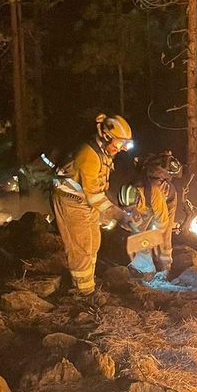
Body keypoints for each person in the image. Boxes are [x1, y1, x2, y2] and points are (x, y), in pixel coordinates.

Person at [52, 113, 133, 299]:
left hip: (84, 201)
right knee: (81, 247)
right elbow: (94, 195)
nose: (121, 148)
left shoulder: (103, 151)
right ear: (105, 136)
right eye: (119, 143)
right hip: (71, 201)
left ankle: (88, 284)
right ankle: (84, 294)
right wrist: (119, 215)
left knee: (93, 242)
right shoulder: (88, 155)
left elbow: (98, 187)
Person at [119, 151, 182, 274]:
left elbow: (163, 224)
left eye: (132, 208)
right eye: (129, 209)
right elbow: (127, 223)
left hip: (168, 200)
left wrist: (151, 237)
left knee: (165, 235)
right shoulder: (128, 194)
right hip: (147, 205)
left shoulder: (154, 194)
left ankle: (165, 267)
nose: (131, 210)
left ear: (139, 199)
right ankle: (144, 267)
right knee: (139, 233)